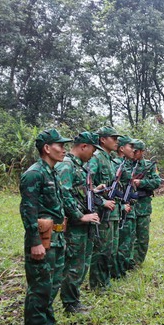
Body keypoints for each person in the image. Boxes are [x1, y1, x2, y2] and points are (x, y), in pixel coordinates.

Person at [20, 129, 74, 325]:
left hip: (57, 237)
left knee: (52, 284)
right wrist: (35, 243)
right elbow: (28, 210)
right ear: (47, 148)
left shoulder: (52, 172)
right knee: (40, 286)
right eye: (60, 146)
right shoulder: (34, 174)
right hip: (43, 240)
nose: (64, 150)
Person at [55, 132, 102, 315]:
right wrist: (79, 216)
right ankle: (70, 304)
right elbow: (64, 194)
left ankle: (74, 300)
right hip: (75, 225)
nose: (93, 154)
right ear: (83, 146)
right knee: (74, 265)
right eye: (92, 149)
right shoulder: (66, 166)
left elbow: (77, 192)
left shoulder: (79, 167)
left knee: (82, 263)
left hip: (84, 223)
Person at [88, 126, 120, 291]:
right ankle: (97, 284)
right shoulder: (96, 158)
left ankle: (105, 281)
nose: (116, 141)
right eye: (113, 138)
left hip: (111, 211)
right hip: (101, 212)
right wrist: (101, 202)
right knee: (101, 249)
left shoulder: (108, 158)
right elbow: (87, 186)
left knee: (110, 249)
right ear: (102, 139)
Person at [130, 139, 161, 265]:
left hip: (143, 205)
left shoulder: (149, 165)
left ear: (142, 152)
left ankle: (137, 262)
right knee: (129, 236)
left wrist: (141, 183)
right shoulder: (125, 165)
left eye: (136, 151)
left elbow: (157, 182)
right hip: (128, 205)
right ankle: (127, 261)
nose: (133, 153)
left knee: (142, 236)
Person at [113, 136, 137, 276]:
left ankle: (123, 267)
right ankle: (117, 270)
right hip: (121, 209)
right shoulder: (117, 164)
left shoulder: (126, 164)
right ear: (121, 149)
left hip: (127, 206)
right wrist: (122, 205)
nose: (133, 150)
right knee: (121, 241)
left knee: (128, 239)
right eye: (130, 147)